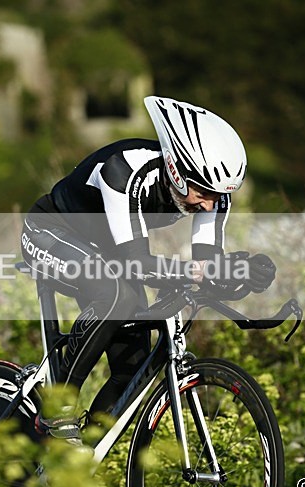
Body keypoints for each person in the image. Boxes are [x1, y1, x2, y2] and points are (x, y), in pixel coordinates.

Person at [20, 96, 275, 443]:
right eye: (203, 192)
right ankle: (57, 406)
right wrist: (201, 273)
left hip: (108, 250)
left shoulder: (211, 195)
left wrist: (241, 273)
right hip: (51, 230)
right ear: (175, 169)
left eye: (218, 195)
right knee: (115, 295)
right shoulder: (123, 171)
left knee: (134, 367)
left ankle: (73, 465)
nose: (209, 204)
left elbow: (207, 265)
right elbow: (136, 264)